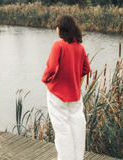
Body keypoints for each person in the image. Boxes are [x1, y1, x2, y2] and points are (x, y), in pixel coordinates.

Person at [41, 15, 90, 160]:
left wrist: (45, 80)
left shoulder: (58, 45)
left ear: (61, 29)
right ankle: (77, 157)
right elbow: (86, 69)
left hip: (57, 95)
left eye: (57, 27)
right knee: (77, 126)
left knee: (62, 130)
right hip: (75, 95)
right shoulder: (80, 47)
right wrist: (76, 81)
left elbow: (51, 68)